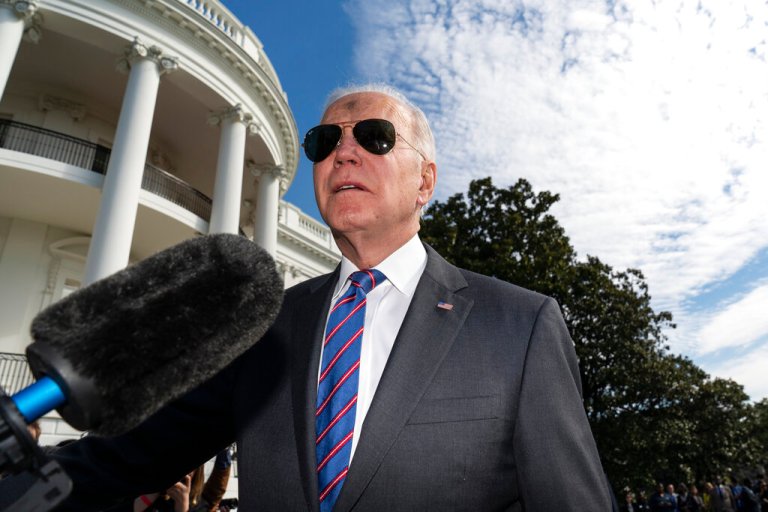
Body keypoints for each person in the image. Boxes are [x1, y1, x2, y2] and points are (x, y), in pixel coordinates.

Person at [1, 84, 611, 510]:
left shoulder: (519, 324)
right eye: (324, 142)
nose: (343, 151)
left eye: (373, 137)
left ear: (425, 179)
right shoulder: (263, 326)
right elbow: (128, 458)